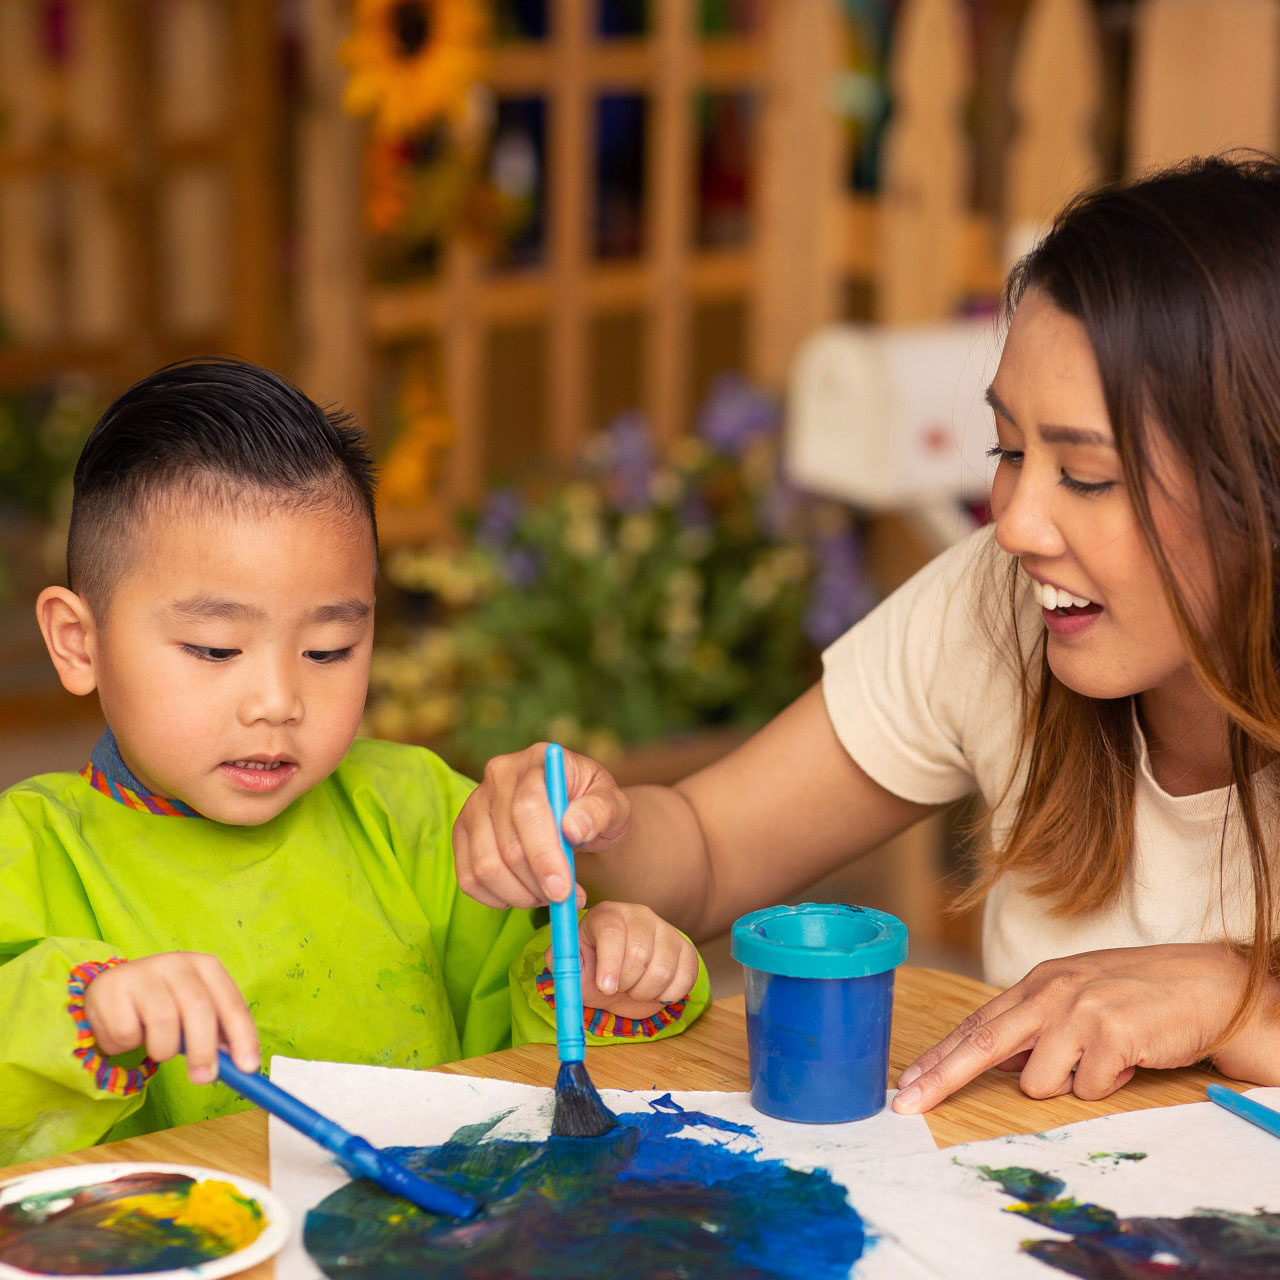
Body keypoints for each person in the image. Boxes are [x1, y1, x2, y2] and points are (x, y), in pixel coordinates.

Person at [454, 154, 1280, 1116]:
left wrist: (1237, 995)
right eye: (1009, 451)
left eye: (1088, 477)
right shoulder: (1002, 606)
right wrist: (590, 828)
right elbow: (716, 849)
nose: (1014, 523)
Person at [0, 359, 708, 1164]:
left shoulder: (417, 811)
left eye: (329, 650)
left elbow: (531, 1064)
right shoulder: (28, 850)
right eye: (215, 647)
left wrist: (601, 974)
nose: (277, 700)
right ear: (77, 641)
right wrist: (91, 1015)